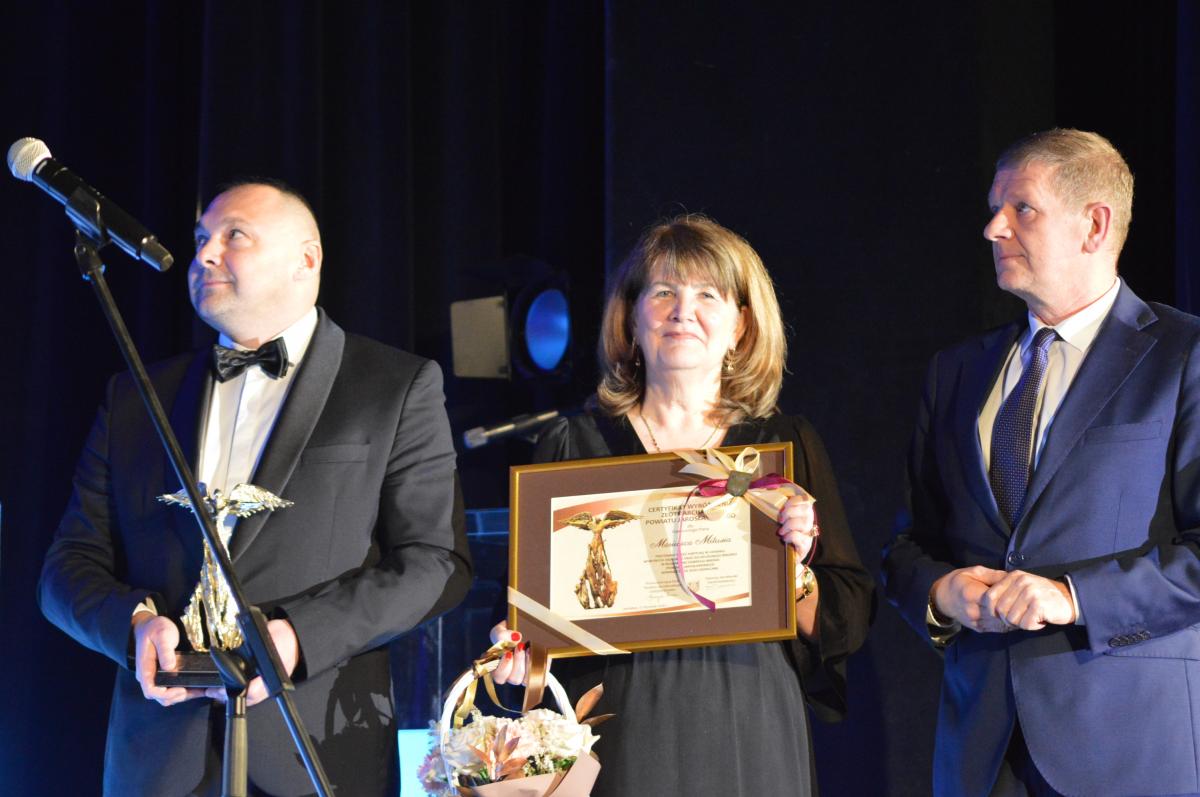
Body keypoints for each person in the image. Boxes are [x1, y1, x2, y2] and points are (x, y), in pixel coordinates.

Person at [38, 179, 472, 796]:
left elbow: (436, 563)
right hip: (158, 762)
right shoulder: (135, 395)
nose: (205, 254)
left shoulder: (394, 387)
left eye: (234, 236)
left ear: (306, 259)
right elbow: (66, 568)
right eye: (200, 239)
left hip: (315, 749)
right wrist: (131, 625)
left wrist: (300, 636)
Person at [495, 214, 874, 796]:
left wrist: (794, 572)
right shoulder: (574, 444)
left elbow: (845, 621)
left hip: (747, 711)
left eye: (707, 296)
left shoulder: (784, 444)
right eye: (663, 292)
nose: (682, 311)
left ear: (740, 326)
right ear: (631, 318)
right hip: (616, 718)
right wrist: (519, 645)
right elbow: (530, 620)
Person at [882, 128, 1200, 796]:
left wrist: (1072, 597)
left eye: (1021, 208)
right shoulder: (957, 372)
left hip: (1127, 747)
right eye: (994, 208)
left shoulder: (1182, 355)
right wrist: (942, 594)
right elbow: (908, 549)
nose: (993, 228)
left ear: (1095, 225)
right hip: (981, 753)